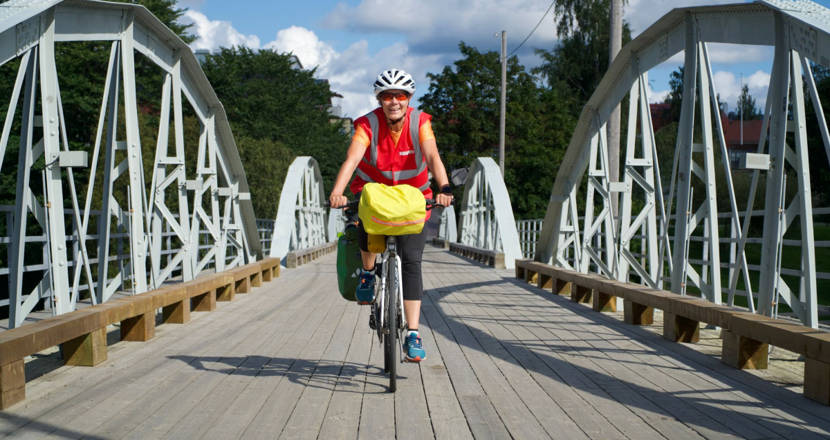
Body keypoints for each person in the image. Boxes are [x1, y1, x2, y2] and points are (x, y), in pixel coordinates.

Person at [329, 69, 453, 362]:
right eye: (387, 96)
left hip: (414, 198)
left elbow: (433, 156)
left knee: (411, 263)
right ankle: (368, 275)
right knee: (365, 219)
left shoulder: (420, 123)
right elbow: (352, 160)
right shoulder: (366, 125)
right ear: (379, 99)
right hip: (376, 196)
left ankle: (412, 333)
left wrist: (444, 187)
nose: (394, 101)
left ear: (409, 98)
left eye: (401, 95)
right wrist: (337, 191)